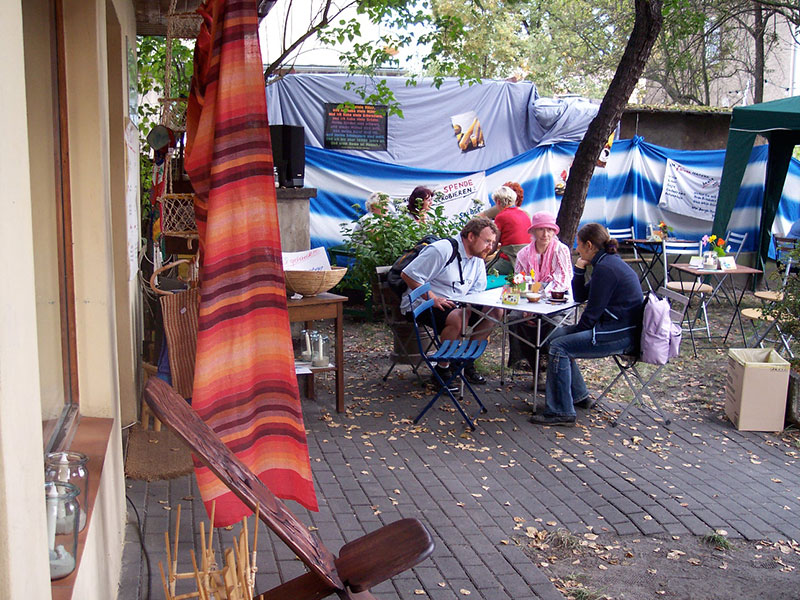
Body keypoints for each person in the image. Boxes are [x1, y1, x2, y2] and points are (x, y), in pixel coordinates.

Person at [529, 223, 644, 426]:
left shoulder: (606, 269)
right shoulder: (607, 263)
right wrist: (579, 269)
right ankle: (579, 395)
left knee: (559, 346)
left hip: (618, 335)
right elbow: (581, 296)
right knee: (554, 337)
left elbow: (591, 315)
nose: (577, 250)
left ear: (589, 245)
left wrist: (572, 337)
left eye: (579, 246)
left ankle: (561, 411)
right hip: (616, 328)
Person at [400, 217, 502, 385]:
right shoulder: (442, 250)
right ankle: (442, 368)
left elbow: (477, 289)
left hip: (457, 304)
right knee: (458, 316)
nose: (490, 247)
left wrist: (470, 306)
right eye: (487, 241)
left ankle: (465, 362)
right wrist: (432, 298)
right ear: (471, 237)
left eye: (492, 242)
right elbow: (408, 274)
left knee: (495, 311)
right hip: (422, 303)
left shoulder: (477, 257)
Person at [507, 211, 573, 390]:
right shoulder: (523, 254)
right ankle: (533, 366)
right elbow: (520, 281)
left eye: (550, 230)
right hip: (530, 299)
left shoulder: (561, 250)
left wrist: (539, 297)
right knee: (514, 318)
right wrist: (530, 301)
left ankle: (550, 365)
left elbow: (562, 280)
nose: (546, 234)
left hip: (557, 300)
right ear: (533, 232)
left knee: (555, 323)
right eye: (541, 230)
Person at [486, 186, 532, 274]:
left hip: (511, 259)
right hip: (527, 258)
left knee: (488, 272)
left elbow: (493, 244)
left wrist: (482, 256)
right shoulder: (524, 214)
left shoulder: (501, 216)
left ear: (498, 202)